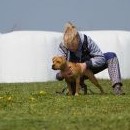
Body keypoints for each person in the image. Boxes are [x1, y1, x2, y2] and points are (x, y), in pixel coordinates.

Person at [56, 22, 124, 95]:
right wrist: (62, 74)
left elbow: (101, 58)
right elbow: (60, 64)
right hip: (73, 73)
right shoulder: (63, 46)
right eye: (69, 46)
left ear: (78, 39)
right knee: (64, 82)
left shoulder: (86, 40)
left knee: (111, 56)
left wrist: (86, 64)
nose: (71, 48)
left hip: (91, 67)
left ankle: (117, 87)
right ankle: (80, 86)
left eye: (73, 45)